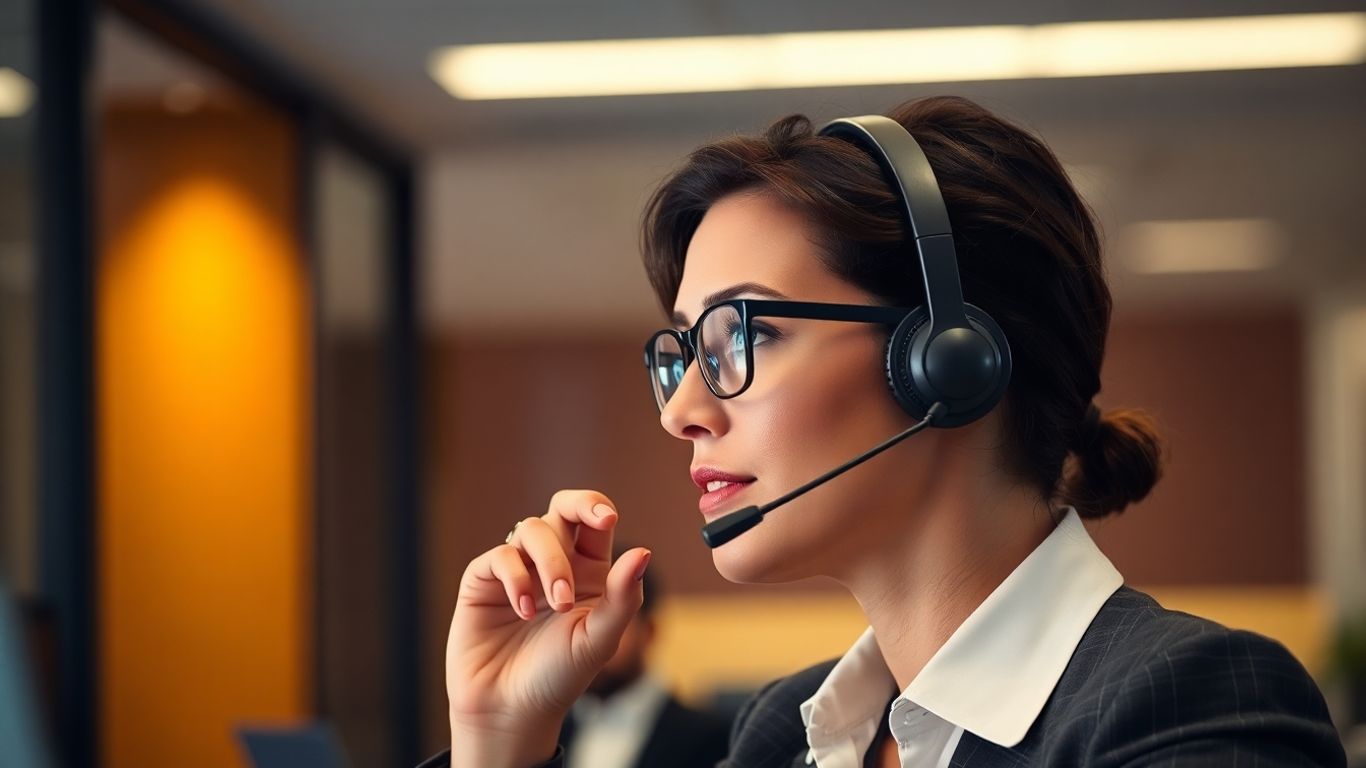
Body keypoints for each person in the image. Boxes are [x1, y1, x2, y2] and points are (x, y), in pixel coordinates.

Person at [424, 96, 1346, 767]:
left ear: (947, 358)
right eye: (682, 354)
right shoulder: (788, 733)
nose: (681, 411)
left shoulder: (1191, 707)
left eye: (747, 335)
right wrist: (501, 737)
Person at [556, 559, 730, 768]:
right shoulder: (544, 738)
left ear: (649, 631)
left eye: (611, 623)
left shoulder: (713, 738)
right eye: (579, 624)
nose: (590, 642)